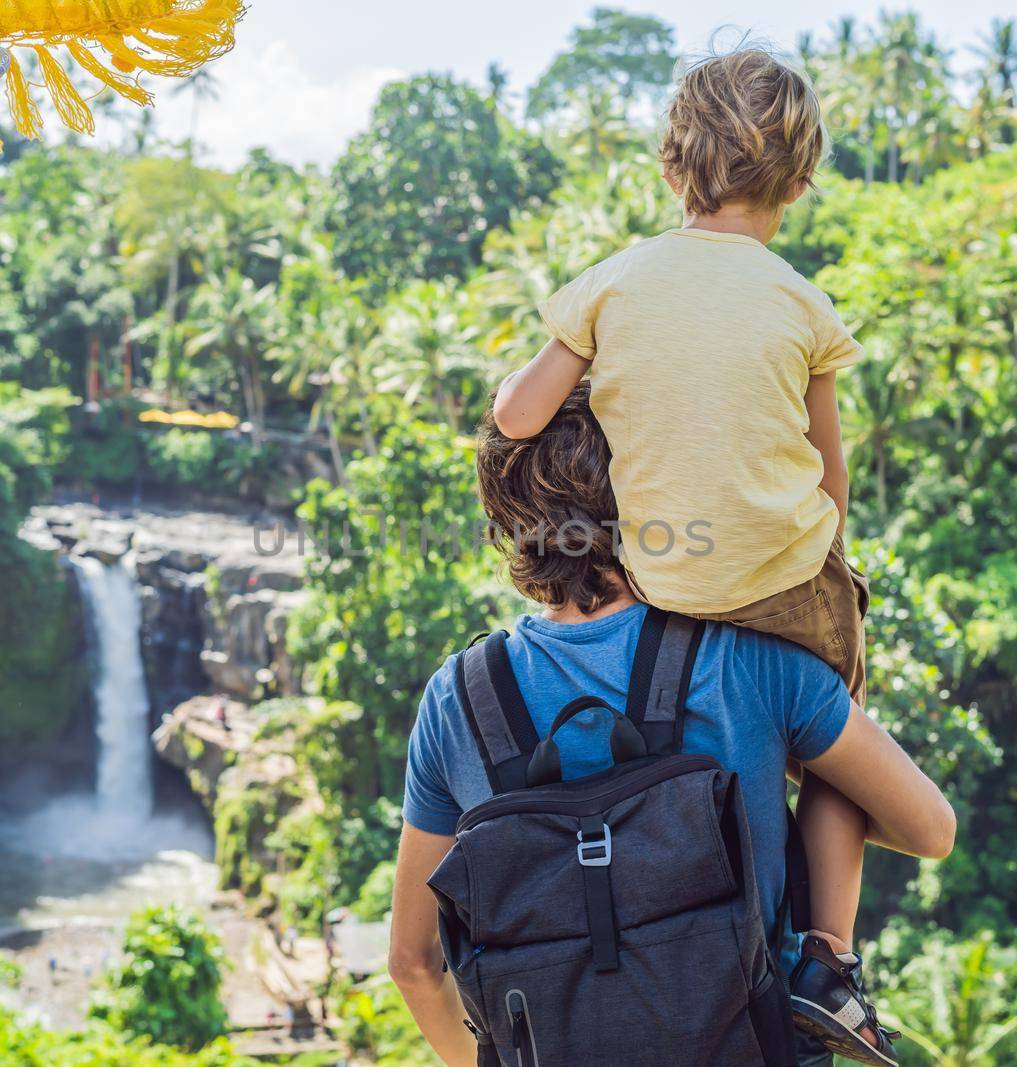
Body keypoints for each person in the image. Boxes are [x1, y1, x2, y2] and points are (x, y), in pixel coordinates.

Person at [490, 42, 895, 1063]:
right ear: (799, 183)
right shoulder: (803, 302)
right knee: (835, 740)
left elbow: (518, 412)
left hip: (665, 576)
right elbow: (830, 477)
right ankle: (828, 958)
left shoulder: (612, 284)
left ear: (671, 165)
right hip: (790, 579)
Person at [389, 387, 954, 1066]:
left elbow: (414, 964)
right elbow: (930, 828)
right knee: (836, 754)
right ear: (656, 489)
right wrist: (831, 705)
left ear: (507, 523)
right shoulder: (749, 661)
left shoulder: (458, 699)